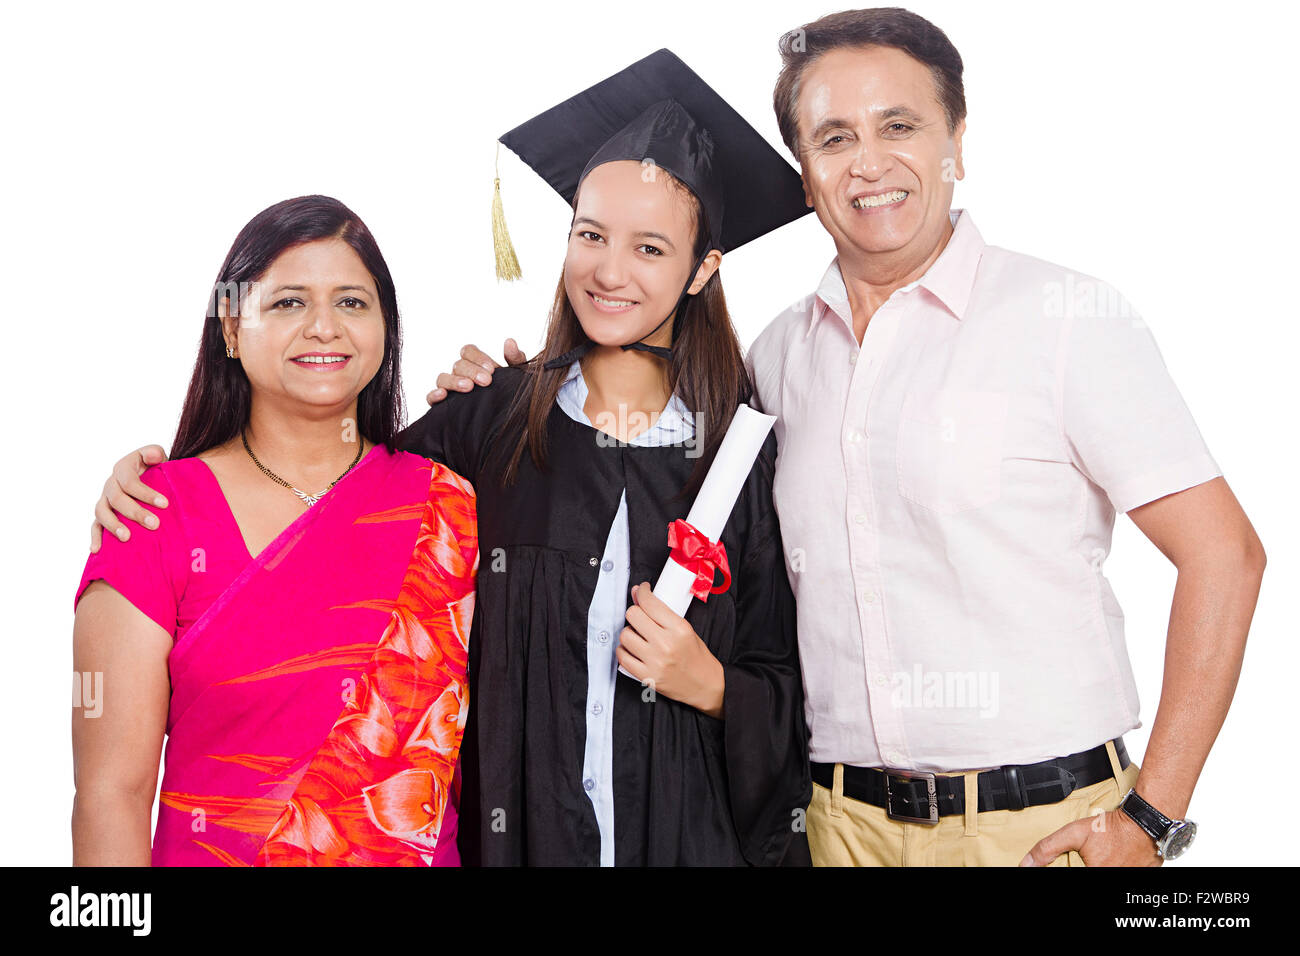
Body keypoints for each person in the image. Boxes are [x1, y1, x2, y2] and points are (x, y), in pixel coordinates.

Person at [430, 9, 1267, 867]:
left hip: (1039, 827)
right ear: (804, 174)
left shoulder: (1062, 321)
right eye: (833, 137)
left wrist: (1153, 818)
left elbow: (1226, 557)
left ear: (958, 142)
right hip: (833, 831)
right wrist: (494, 401)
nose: (868, 163)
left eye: (899, 126)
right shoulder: (774, 365)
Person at [88, 50, 813, 866]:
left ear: (701, 271)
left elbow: (786, 688)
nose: (610, 271)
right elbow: (332, 490)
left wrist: (712, 686)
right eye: (590, 235)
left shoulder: (736, 457)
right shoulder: (487, 426)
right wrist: (159, 483)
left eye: (650, 249)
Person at [73, 195, 479, 866]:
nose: (325, 328)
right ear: (231, 329)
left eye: (352, 302)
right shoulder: (153, 515)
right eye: (289, 302)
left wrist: (510, 393)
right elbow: (109, 793)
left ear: (386, 327)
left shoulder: (450, 506)